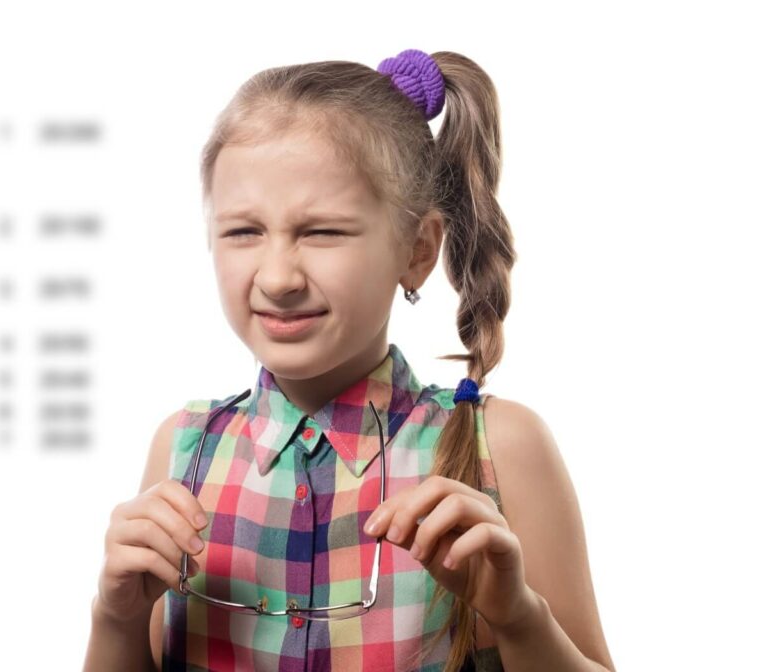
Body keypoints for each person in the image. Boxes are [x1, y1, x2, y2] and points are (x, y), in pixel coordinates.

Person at [84, 48, 615, 672]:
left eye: (322, 232)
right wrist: (114, 616)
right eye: (243, 231)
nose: (278, 276)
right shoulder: (183, 448)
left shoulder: (499, 446)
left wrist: (518, 614)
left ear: (417, 251)